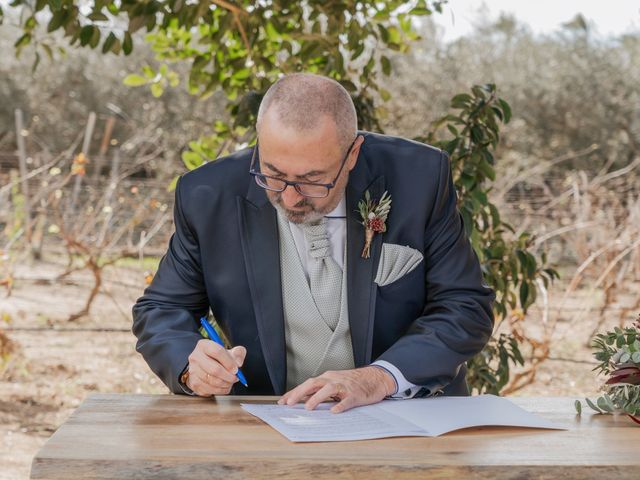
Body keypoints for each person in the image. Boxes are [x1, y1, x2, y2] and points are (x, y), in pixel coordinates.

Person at [132, 73, 494, 414]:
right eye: (272, 175)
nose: (289, 199)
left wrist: (379, 378)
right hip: (267, 425)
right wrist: (189, 365)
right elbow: (161, 309)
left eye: (313, 181)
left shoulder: (420, 178)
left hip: (405, 420)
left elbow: (464, 306)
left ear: (352, 154)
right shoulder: (207, 194)